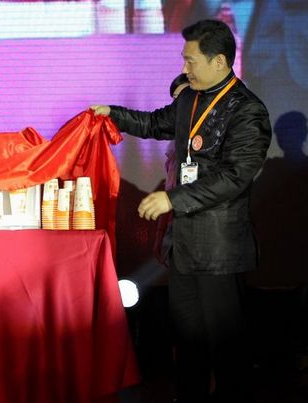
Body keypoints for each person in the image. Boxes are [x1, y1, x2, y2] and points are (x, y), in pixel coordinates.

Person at [92, 19, 271, 402]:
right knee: (187, 343)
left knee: (225, 348)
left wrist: (172, 199)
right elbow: (155, 123)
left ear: (219, 61)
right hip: (183, 246)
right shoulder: (190, 98)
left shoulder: (248, 111)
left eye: (191, 61)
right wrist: (112, 113)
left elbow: (235, 177)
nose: (184, 68)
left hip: (219, 249)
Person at [153, 73, 190, 265]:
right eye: (175, 99)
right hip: (175, 214)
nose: (177, 104)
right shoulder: (175, 139)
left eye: (183, 97)